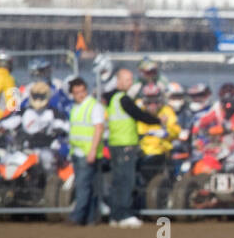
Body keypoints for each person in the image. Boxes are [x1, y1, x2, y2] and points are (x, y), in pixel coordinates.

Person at [104, 67, 163, 228]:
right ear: (120, 81)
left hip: (115, 144)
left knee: (117, 180)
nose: (131, 83)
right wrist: (158, 121)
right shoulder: (124, 99)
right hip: (125, 145)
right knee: (126, 180)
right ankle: (125, 214)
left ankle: (115, 215)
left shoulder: (112, 98)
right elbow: (139, 115)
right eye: (128, 79)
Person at [65, 77, 105, 227]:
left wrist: (93, 151)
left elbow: (99, 128)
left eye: (82, 91)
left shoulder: (93, 106)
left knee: (83, 186)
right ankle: (91, 218)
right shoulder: (76, 107)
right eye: (76, 92)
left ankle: (76, 217)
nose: (80, 94)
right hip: (77, 151)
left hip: (88, 152)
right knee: (89, 186)